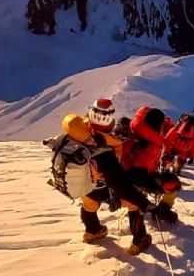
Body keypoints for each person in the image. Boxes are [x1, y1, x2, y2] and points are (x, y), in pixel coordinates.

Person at [60, 98, 155, 250]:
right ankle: (140, 239)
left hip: (81, 184)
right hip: (99, 188)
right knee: (133, 203)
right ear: (109, 122)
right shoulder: (108, 148)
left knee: (89, 204)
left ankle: (92, 231)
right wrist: (140, 201)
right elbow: (117, 181)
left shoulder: (76, 129)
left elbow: (68, 121)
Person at [123, 106, 182, 229]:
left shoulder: (136, 128)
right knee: (173, 184)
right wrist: (155, 188)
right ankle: (161, 211)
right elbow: (137, 174)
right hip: (136, 178)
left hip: (124, 175)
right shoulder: (150, 144)